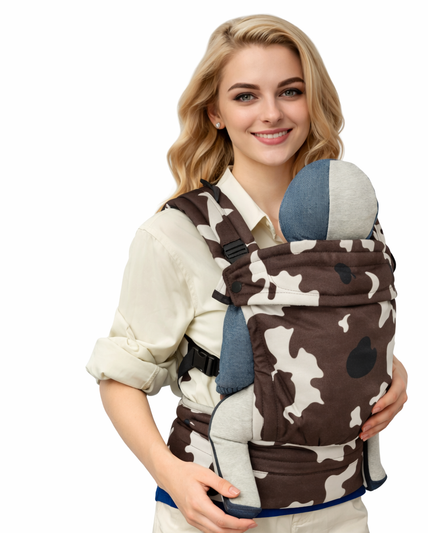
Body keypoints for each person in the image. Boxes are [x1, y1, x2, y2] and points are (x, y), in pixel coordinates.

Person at [87, 14, 408, 533]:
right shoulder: (174, 235)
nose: (271, 113)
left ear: (313, 101)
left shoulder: (352, 223)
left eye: (290, 91)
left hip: (340, 509)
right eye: (245, 96)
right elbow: (121, 375)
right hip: (218, 511)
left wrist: (393, 375)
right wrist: (170, 475)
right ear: (214, 112)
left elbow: (343, 337)